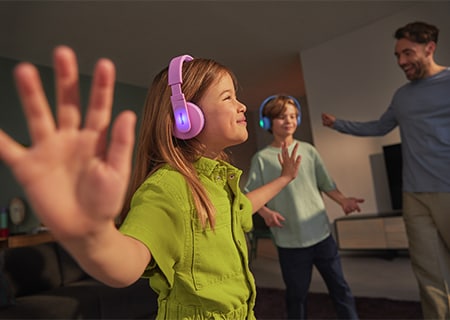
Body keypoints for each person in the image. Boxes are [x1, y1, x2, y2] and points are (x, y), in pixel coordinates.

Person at [0, 46, 302, 319]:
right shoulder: (168, 188)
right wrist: (92, 236)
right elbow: (129, 263)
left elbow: (242, 208)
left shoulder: (218, 182)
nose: (242, 106)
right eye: (228, 97)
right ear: (186, 117)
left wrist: (285, 178)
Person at [322, 21, 450, 319]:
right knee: (429, 273)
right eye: (397, 56)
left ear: (429, 48)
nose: (401, 61)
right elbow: (379, 127)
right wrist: (338, 123)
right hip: (414, 195)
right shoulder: (402, 96)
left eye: (408, 53)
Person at [245, 94, 364, 319]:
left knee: (340, 288)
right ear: (267, 122)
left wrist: (344, 200)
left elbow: (325, 183)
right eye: (281, 117)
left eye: (293, 116)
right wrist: (266, 212)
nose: (289, 120)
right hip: (290, 241)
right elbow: (249, 194)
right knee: (296, 295)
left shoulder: (308, 151)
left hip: (321, 235)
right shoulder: (262, 159)